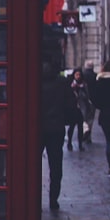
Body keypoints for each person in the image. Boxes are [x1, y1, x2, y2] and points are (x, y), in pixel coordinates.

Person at [41, 60, 75, 210]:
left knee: (33, 166)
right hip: (56, 128)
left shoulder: (32, 81)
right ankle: (53, 199)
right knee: (56, 164)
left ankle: (35, 198)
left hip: (37, 128)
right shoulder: (62, 82)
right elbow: (71, 104)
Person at [66, 68, 91, 150]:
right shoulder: (70, 84)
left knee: (80, 127)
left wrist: (81, 89)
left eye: (79, 75)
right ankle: (69, 142)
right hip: (72, 108)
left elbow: (87, 96)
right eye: (76, 75)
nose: (78, 76)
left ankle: (80, 144)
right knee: (72, 127)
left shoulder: (84, 85)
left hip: (81, 108)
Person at [81, 60, 98, 142]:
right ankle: (88, 136)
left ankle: (84, 132)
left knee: (83, 117)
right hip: (93, 100)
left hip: (82, 100)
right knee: (90, 118)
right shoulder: (96, 76)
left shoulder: (82, 75)